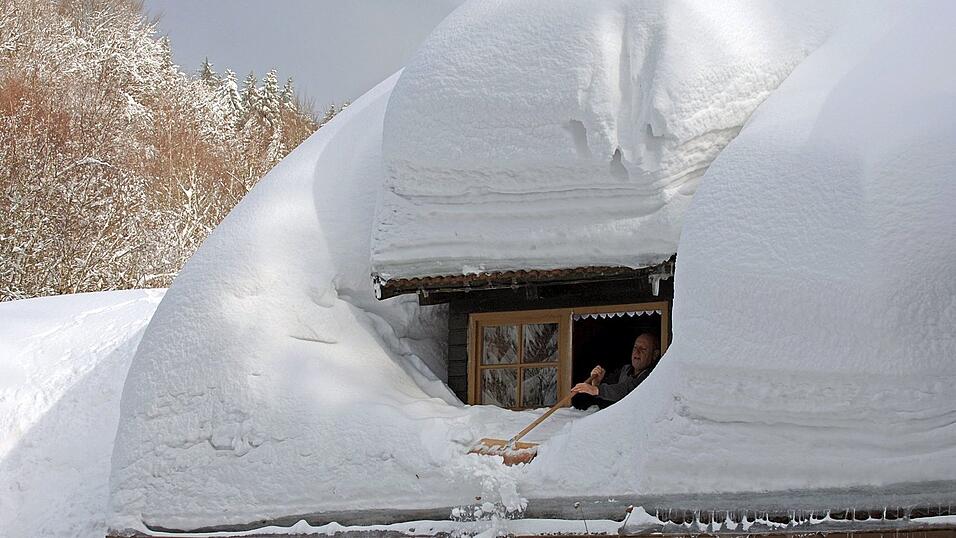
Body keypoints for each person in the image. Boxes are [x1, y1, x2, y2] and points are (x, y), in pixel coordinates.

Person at [570, 332, 660, 410]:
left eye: (643, 349)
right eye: (635, 347)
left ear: (655, 355)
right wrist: (597, 383)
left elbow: (626, 390)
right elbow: (610, 391)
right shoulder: (625, 369)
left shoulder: (653, 374)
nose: (637, 352)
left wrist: (596, 389)